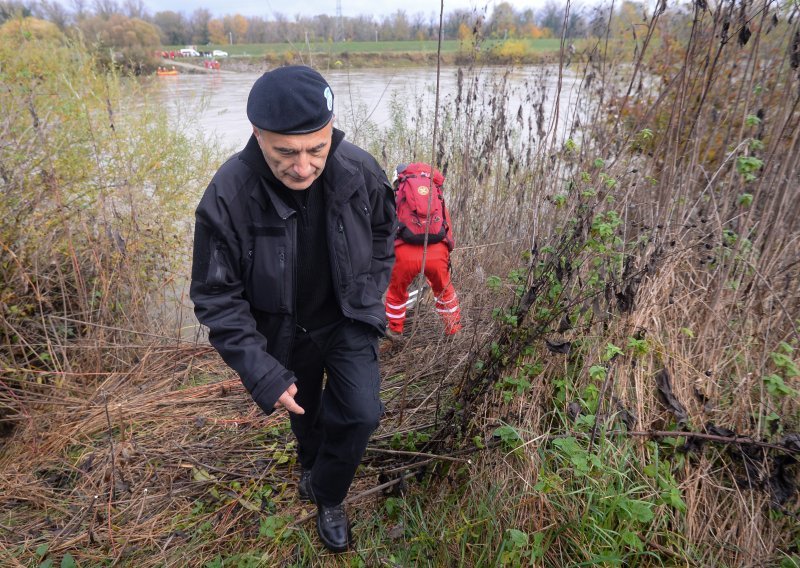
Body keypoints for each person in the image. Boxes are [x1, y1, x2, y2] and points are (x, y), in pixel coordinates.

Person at [190, 65, 396, 553]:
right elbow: (216, 296)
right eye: (286, 152)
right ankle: (310, 461)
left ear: (331, 134)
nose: (303, 167)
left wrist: (369, 290)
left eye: (316, 150)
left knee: (362, 413)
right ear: (258, 135)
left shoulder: (360, 169)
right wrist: (262, 371)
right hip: (283, 330)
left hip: (347, 318)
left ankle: (327, 493)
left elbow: (386, 233)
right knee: (305, 413)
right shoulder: (228, 195)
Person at [384, 163, 462, 338]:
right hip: (436, 251)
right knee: (444, 289)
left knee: (397, 290)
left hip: (405, 252)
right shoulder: (436, 195)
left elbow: (388, 227)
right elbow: (446, 226)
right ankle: (453, 328)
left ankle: (395, 329)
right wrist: (447, 250)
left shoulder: (398, 195)